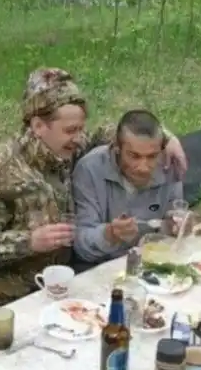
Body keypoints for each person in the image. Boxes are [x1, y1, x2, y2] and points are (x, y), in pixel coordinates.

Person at [0, 68, 187, 323]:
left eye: (81, 128)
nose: (79, 137)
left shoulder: (68, 147)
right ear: (38, 126)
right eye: (71, 130)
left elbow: (119, 133)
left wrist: (167, 139)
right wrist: (28, 242)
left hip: (55, 288)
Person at [72, 109, 184, 272]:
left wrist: (177, 226)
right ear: (116, 148)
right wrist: (110, 234)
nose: (143, 168)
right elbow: (81, 245)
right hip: (101, 267)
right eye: (134, 156)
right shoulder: (89, 169)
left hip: (151, 262)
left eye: (152, 156)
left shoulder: (169, 165)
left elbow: (172, 222)